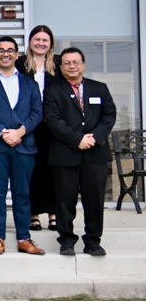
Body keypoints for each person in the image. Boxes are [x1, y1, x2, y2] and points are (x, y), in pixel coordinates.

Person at [0, 36, 44, 256]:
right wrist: (4, 133)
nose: (5, 54)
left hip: (24, 146)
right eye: (1, 50)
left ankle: (24, 238)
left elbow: (37, 113)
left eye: (10, 50)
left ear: (16, 54)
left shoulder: (30, 84)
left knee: (23, 194)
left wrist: (20, 131)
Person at [43, 47, 116, 256]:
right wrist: (77, 140)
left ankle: (93, 241)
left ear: (83, 64)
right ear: (61, 66)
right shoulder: (53, 91)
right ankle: (66, 241)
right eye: (67, 63)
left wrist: (95, 137)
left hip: (95, 155)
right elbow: (54, 121)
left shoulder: (99, 88)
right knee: (65, 201)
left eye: (75, 62)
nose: (72, 66)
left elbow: (110, 115)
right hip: (65, 155)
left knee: (94, 201)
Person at [17, 25, 61, 232]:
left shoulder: (59, 63)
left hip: (52, 127)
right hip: (27, 125)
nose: (41, 43)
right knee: (31, 172)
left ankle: (54, 214)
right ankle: (33, 215)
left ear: (50, 42)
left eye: (45, 40)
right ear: (30, 41)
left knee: (53, 170)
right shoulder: (19, 63)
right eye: (37, 39)